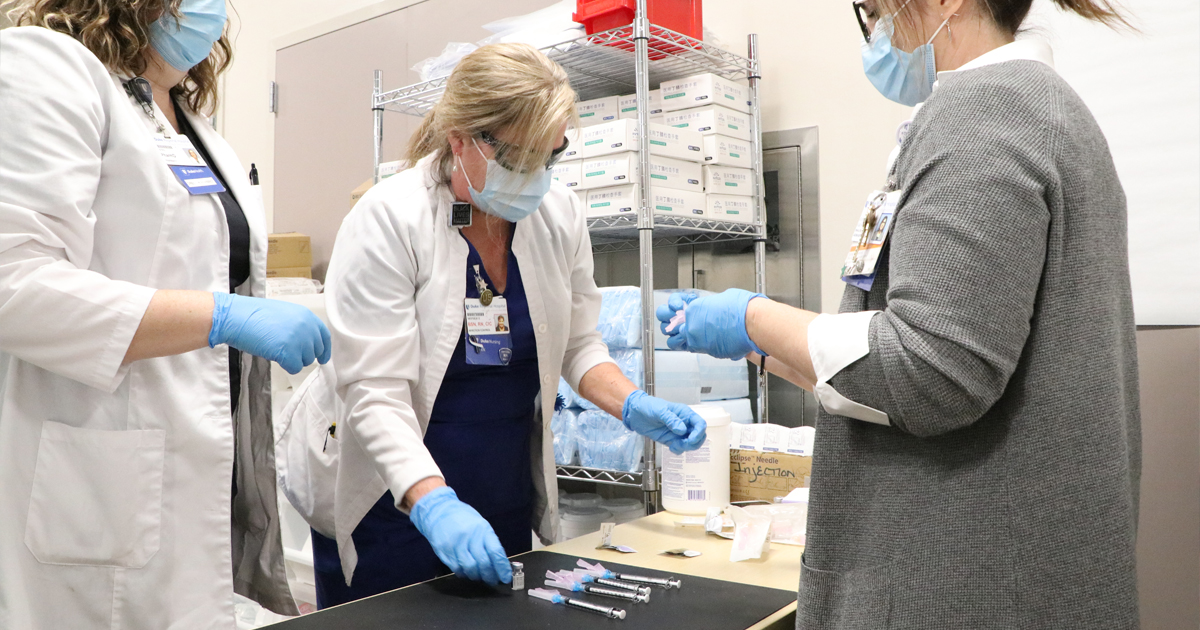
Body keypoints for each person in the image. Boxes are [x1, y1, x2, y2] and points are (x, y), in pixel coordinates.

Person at [659, 0, 1140, 627]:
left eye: (874, 10)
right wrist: (762, 348)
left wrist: (753, 317)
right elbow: (938, 358)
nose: (878, 31)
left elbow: (929, 373)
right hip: (1019, 570)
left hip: (964, 582)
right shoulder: (1044, 110)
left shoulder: (986, 112)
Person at [278, 43, 707, 607]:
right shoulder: (389, 219)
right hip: (388, 493)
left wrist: (629, 402)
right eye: (519, 159)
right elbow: (374, 392)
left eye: (550, 159)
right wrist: (432, 503)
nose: (536, 178)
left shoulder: (558, 215)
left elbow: (578, 343)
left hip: (498, 488)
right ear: (461, 139)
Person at [0, 0, 331, 627]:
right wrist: (218, 317)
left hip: (202, 463)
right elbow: (12, 285)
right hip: (100, 480)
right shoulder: (46, 67)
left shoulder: (188, 118)